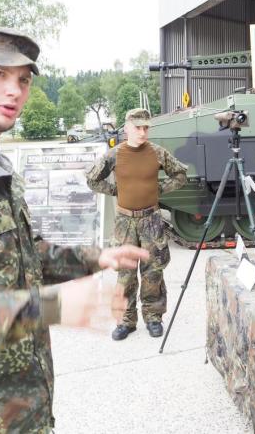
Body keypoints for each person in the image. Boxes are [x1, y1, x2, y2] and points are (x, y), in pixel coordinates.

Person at [0, 25, 150, 433]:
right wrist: (49, 306)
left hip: (25, 411)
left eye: (23, 79)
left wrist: (95, 257)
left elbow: (22, 253)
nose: (13, 91)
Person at [85, 108, 188, 340]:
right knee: (125, 274)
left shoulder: (157, 153)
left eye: (146, 128)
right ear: (127, 128)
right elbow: (92, 179)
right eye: (138, 127)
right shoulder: (114, 155)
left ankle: (153, 317)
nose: (142, 132)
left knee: (153, 272)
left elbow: (180, 175)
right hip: (125, 222)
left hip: (152, 220)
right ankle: (126, 320)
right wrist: (115, 191)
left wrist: (159, 189)